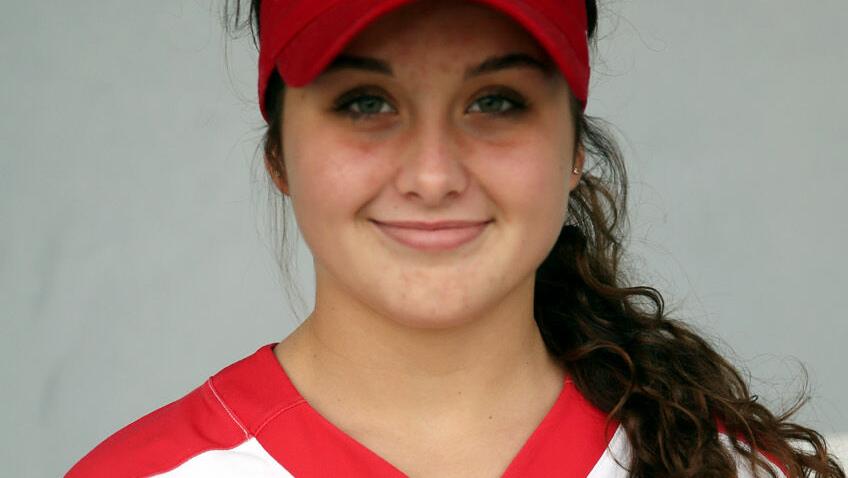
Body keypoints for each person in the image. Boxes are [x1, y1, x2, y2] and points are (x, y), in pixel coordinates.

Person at [66, 0, 845, 477]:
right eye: (366, 103)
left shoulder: (737, 472)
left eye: (496, 101)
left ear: (574, 149)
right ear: (279, 154)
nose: (433, 176)